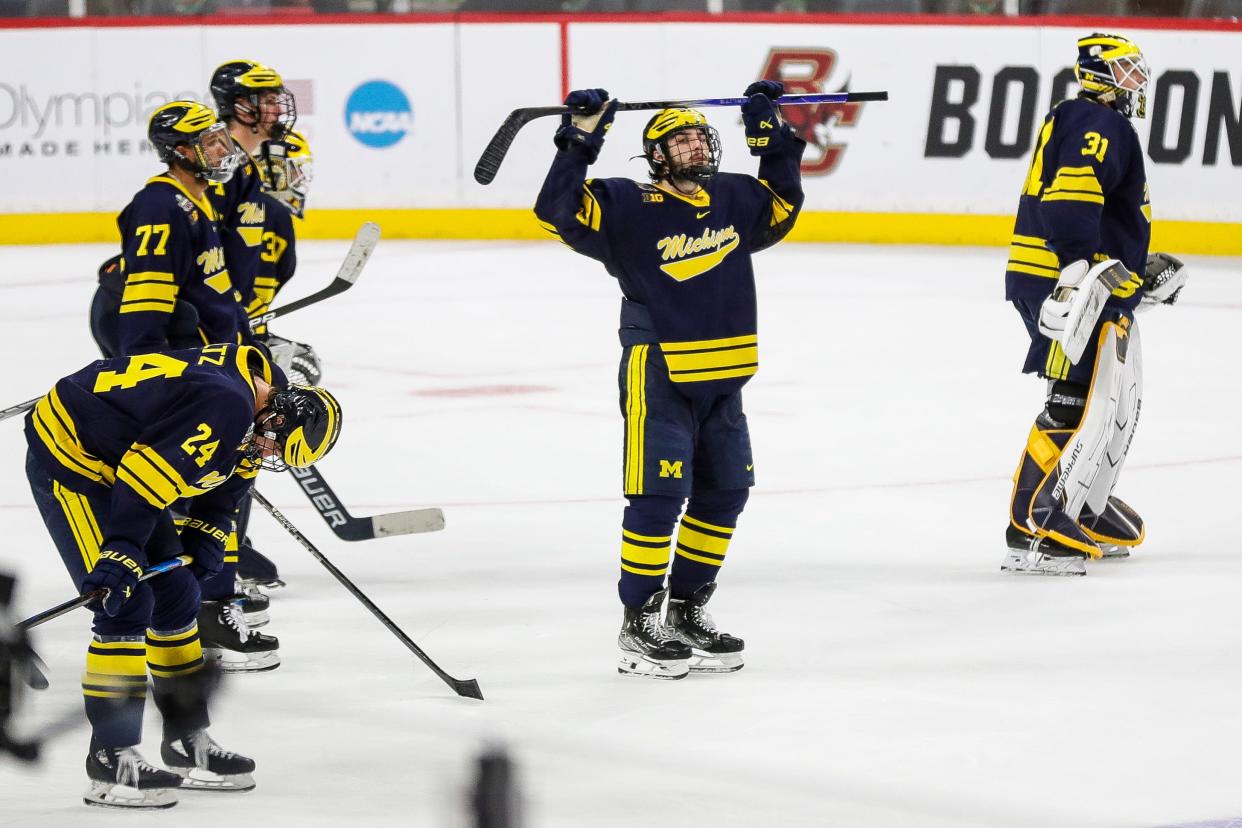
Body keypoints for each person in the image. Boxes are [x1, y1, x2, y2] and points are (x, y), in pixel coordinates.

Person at [533, 83, 805, 679]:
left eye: (699, 137)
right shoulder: (626, 204)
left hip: (726, 375)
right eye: (677, 139)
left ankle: (685, 610)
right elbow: (556, 209)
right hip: (659, 369)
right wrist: (581, 139)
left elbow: (784, 205)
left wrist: (772, 138)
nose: (693, 146)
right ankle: (639, 620)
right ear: (656, 156)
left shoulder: (734, 196)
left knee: (726, 494)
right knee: (658, 499)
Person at [23, 343, 342, 808]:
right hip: (74, 457)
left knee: (176, 596)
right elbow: (143, 476)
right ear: (278, 413)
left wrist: (211, 525)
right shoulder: (227, 404)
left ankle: (185, 741)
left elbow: (236, 469)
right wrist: (123, 549)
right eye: (275, 440)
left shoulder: (260, 396)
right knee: (125, 603)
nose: (269, 449)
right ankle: (111, 759)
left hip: (124, 456)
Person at [85, 100, 279, 669]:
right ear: (180, 151)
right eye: (209, 142)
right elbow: (144, 311)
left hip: (218, 364)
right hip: (189, 373)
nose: (222, 149)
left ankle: (210, 598)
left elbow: (211, 294)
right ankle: (204, 608)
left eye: (221, 138)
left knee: (221, 480)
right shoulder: (158, 207)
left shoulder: (195, 200)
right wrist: (151, 383)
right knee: (193, 482)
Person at [1002, 33, 1188, 576]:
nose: (1137, 81)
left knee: (1097, 392)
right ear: (1102, 74)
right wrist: (1077, 269)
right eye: (1128, 71)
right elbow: (1072, 196)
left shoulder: (1088, 120)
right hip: (1062, 277)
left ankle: (1075, 504)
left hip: (1080, 275)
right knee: (1075, 393)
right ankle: (1030, 520)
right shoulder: (1098, 122)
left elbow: (1099, 208)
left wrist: (1132, 273)